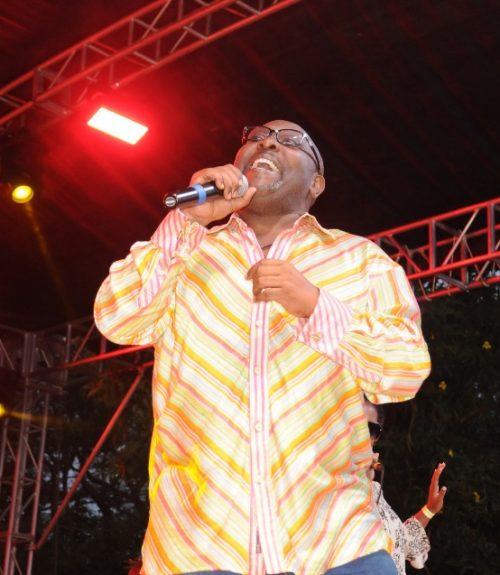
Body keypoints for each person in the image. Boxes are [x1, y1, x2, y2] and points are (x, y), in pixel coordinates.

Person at [94, 120, 431, 575]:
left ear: (316, 184)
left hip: (337, 544)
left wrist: (316, 306)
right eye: (256, 137)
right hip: (198, 544)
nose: (268, 142)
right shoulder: (188, 254)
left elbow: (406, 369)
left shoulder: (362, 261)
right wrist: (187, 219)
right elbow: (119, 316)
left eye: (291, 141)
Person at [363, 400, 447, 574]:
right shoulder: (319, 480)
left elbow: (401, 543)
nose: (359, 435)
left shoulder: (375, 490)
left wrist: (429, 509)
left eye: (370, 429)